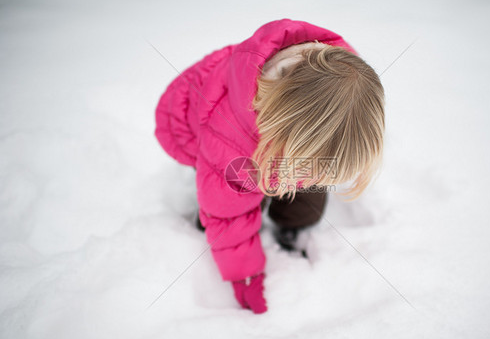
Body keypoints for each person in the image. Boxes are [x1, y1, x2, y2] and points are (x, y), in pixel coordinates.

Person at [154, 19, 385, 314]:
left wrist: (312, 170)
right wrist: (243, 270)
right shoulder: (229, 137)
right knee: (229, 201)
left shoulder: (345, 86)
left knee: (308, 192)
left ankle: (295, 225)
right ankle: (204, 225)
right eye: (308, 163)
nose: (315, 174)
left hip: (285, 133)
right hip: (202, 132)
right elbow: (228, 215)